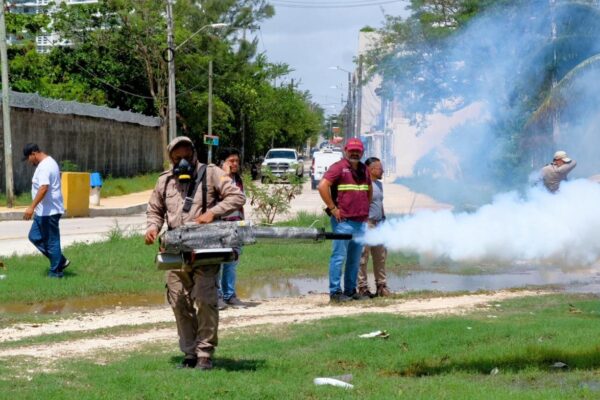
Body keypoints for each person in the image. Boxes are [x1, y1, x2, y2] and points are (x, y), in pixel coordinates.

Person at [145, 136, 245, 370]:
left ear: (194, 153)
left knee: (205, 300)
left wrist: (213, 212)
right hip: (175, 252)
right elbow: (155, 210)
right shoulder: (164, 181)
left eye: (186, 156)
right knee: (179, 302)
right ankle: (189, 355)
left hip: (205, 250)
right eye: (177, 157)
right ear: (171, 158)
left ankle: (204, 355)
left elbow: (237, 196)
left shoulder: (211, 174)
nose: (182, 162)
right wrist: (152, 228)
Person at [318, 138, 372, 303]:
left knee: (355, 259)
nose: (355, 153)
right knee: (339, 257)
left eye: (358, 151)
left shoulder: (364, 169)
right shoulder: (339, 168)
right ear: (345, 151)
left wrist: (365, 209)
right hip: (343, 222)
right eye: (352, 150)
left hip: (360, 221)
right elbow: (322, 186)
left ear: (362, 152)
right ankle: (335, 292)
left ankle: (350, 291)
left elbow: (368, 190)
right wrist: (333, 208)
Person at [22, 143, 70, 278]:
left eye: (28, 158)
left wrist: (31, 207)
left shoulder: (44, 166)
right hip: (43, 211)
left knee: (52, 242)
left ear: (33, 154)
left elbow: (44, 187)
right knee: (34, 236)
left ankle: (56, 272)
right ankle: (60, 260)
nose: (28, 162)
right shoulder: (49, 162)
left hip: (50, 212)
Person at [357, 157, 391, 298]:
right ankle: (362, 287)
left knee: (380, 256)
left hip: (379, 223)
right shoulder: (363, 184)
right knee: (363, 257)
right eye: (379, 168)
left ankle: (381, 286)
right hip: (367, 224)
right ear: (371, 169)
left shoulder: (379, 184)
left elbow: (380, 204)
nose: (382, 170)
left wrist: (383, 219)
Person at [217, 148, 245, 309]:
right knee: (218, 262)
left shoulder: (238, 180)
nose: (235, 164)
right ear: (223, 163)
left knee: (232, 261)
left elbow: (241, 201)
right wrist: (225, 175)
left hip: (236, 225)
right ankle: (218, 295)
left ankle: (230, 294)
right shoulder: (217, 178)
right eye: (231, 161)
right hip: (220, 225)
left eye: (237, 161)